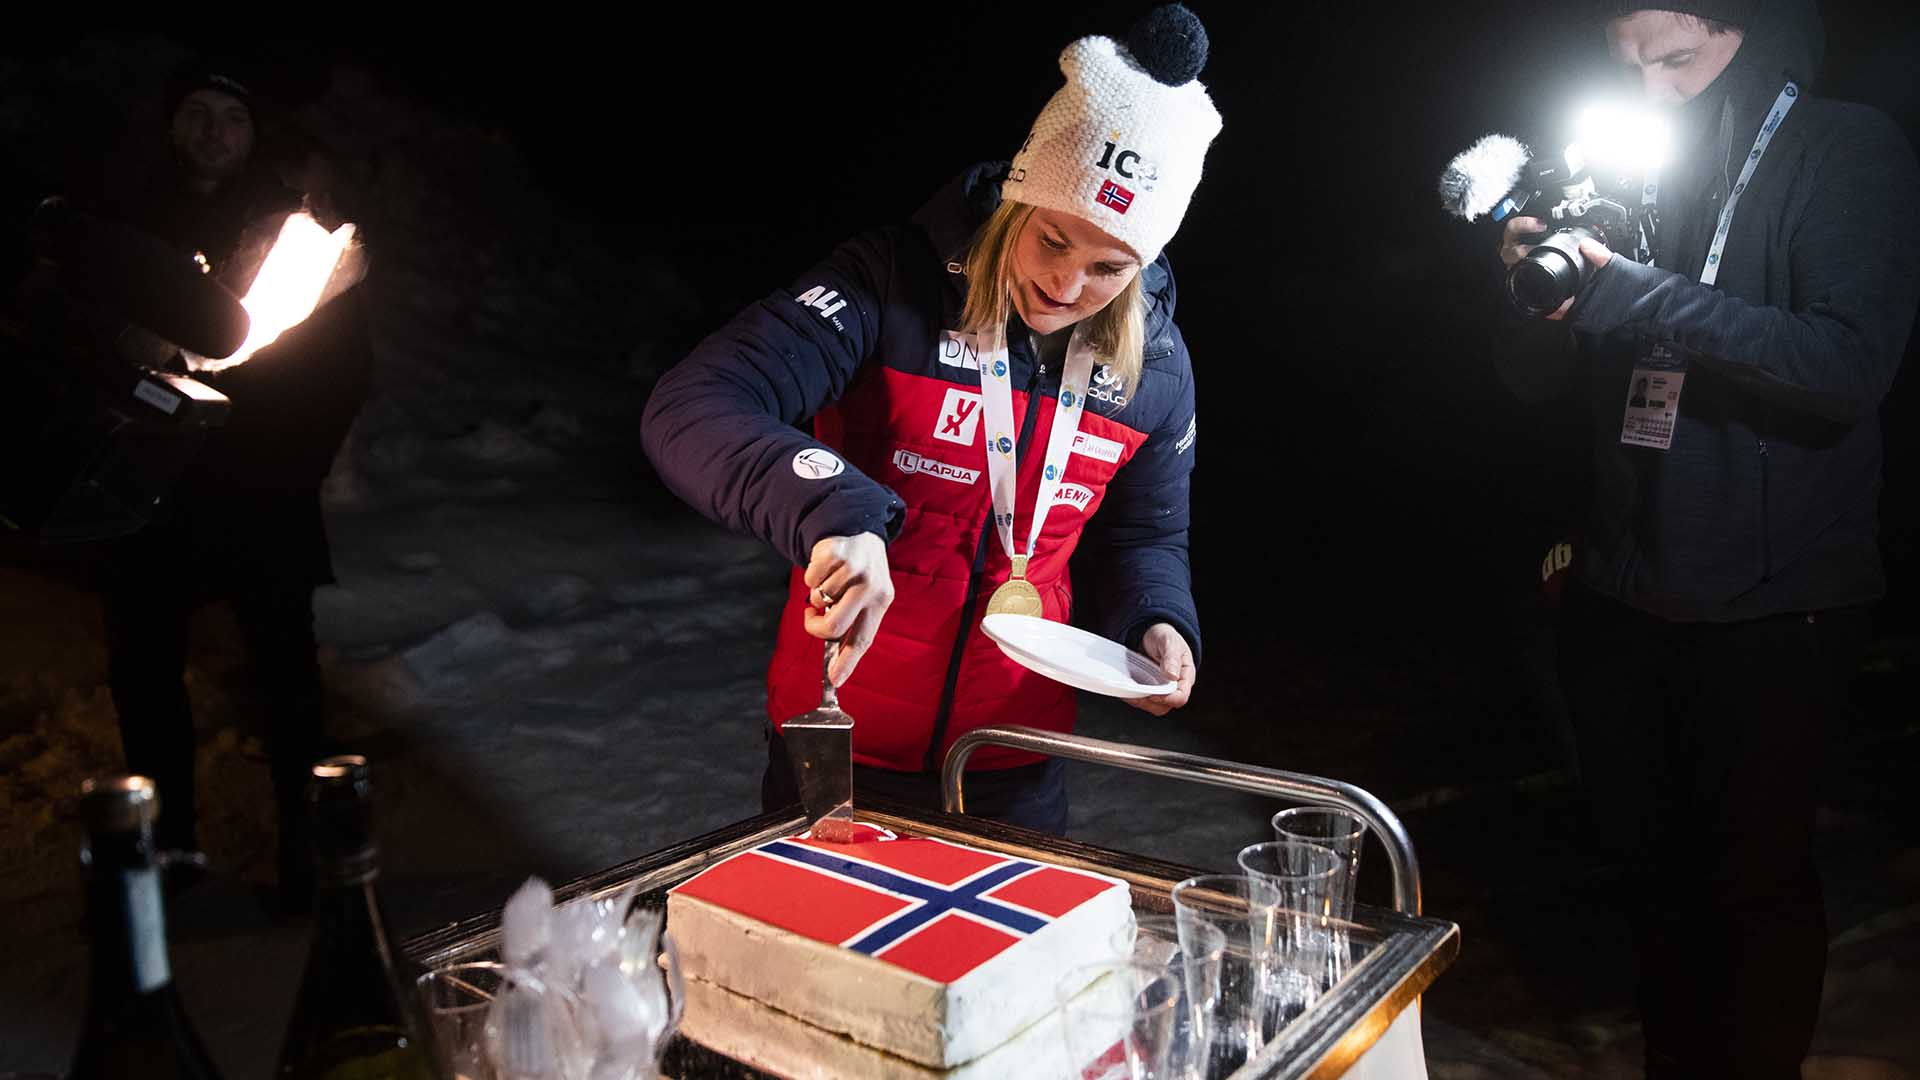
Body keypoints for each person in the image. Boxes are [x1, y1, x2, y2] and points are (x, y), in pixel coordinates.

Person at [643, 5, 1222, 834]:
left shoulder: (1155, 367)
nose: (1066, 286)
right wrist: (832, 511)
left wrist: (1161, 622)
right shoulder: (891, 283)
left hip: (1014, 755)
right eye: (1052, 240)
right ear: (1020, 200)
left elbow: (1146, 539)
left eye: (1108, 267)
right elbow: (692, 407)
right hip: (838, 741)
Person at [1492, 2, 1919, 1074]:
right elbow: (1530, 388)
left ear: (1754, 34)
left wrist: (1636, 295)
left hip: (1774, 600)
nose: (1651, 89)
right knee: (1649, 880)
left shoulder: (1842, 145)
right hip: (1624, 590)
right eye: (1625, 63)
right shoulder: (1633, 162)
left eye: (1678, 57)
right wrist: (1527, 294)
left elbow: (1843, 367)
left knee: (1752, 887)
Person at [92, 57, 372, 906]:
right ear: (172, 125)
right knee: (145, 676)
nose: (214, 134)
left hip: (260, 491)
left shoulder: (292, 235)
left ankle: (310, 855)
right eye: (199, 115)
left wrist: (294, 466)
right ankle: (167, 855)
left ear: (254, 136)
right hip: (146, 495)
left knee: (287, 678)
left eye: (232, 119)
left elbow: (343, 368)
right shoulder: (124, 218)